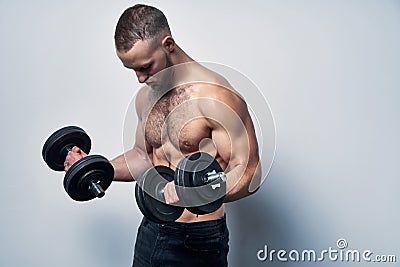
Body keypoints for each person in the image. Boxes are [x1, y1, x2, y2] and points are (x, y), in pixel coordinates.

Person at [64, 4, 261, 267]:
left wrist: (196, 193)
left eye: (146, 66)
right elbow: (142, 157)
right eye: (132, 69)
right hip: (151, 228)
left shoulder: (216, 98)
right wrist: (95, 168)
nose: (139, 78)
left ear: (168, 44)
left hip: (198, 238)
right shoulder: (147, 95)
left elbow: (250, 172)